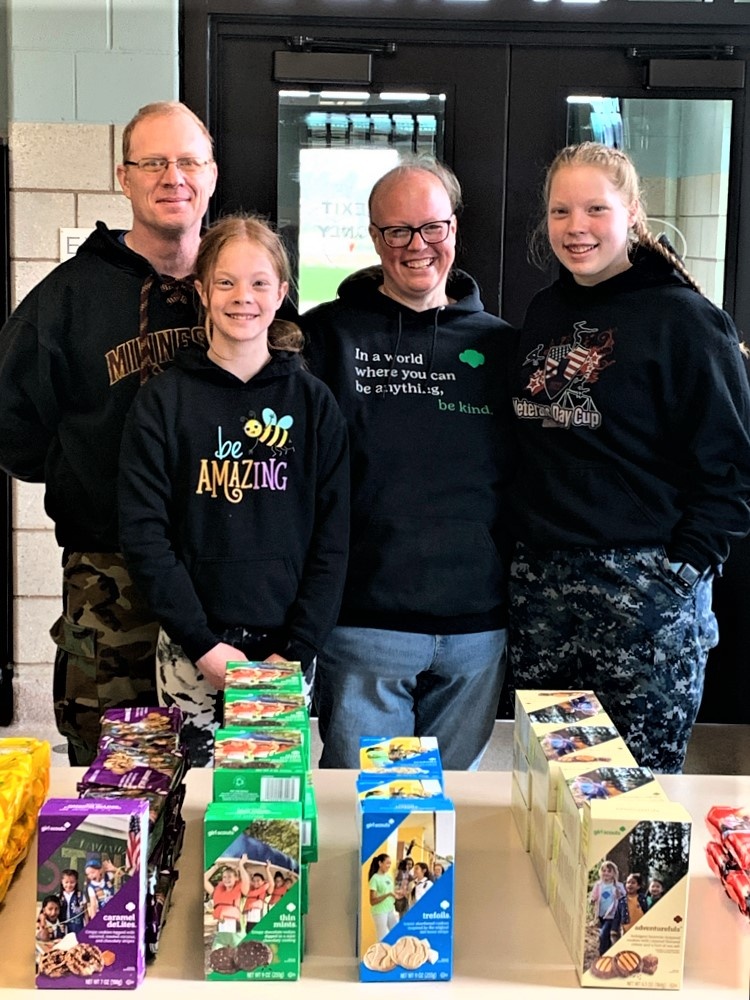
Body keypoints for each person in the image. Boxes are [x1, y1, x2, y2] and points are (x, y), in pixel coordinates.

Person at [509, 141, 750, 774]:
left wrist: (680, 573)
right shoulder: (545, 313)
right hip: (544, 589)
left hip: (644, 592)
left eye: (595, 208)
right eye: (561, 212)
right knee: (551, 789)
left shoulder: (687, 322)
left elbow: (731, 466)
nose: (576, 227)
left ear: (633, 212)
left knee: (634, 800)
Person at [0, 100, 218, 766]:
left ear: (212, 175)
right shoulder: (66, 299)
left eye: (187, 161)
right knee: (119, 786)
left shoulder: (245, 288)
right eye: (153, 162)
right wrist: (91, 475)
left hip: (221, 573)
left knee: (220, 789)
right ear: (123, 178)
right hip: (112, 580)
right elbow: (16, 434)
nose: (171, 176)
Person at [303, 158, 516, 769]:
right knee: (372, 827)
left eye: (432, 227)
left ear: (454, 229)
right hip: (365, 625)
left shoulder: (501, 346)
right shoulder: (326, 339)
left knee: (450, 825)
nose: (416, 246)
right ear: (374, 239)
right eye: (397, 231)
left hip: (476, 627)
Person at [118, 215, 349, 766]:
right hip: (190, 648)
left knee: (270, 812)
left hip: (284, 653)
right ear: (200, 290)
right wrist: (201, 643)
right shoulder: (162, 402)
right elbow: (144, 534)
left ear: (282, 294)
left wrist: (295, 650)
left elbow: (334, 537)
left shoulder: (314, 406)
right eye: (225, 282)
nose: (242, 298)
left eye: (259, 283)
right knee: (192, 807)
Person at [204, 855, 250, 932]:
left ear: (236, 878)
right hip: (221, 923)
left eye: (229, 877)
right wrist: (216, 866)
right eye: (224, 877)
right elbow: (204, 879)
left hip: (233, 924)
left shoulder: (241, 890)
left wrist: (241, 865)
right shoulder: (217, 891)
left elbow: (246, 881)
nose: (226, 879)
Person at [589, 860, 625, 955]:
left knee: (603, 935)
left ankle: (603, 955)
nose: (606, 873)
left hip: (613, 915)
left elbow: (623, 898)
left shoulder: (618, 886)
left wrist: (619, 895)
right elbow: (594, 896)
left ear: (614, 873)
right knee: (606, 936)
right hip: (601, 914)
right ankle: (609, 953)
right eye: (604, 871)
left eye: (609, 871)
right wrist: (592, 900)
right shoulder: (598, 885)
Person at [367, 853, 398, 941]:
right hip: (380, 912)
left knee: (396, 933)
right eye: (387, 863)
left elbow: (391, 892)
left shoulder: (388, 877)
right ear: (380, 863)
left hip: (390, 910)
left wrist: (397, 894)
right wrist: (388, 895)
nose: (389, 866)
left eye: (390, 864)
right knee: (382, 938)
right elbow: (372, 901)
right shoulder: (375, 879)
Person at [613, 872, 649, 938]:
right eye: (628, 882)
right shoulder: (621, 901)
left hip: (641, 931)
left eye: (633, 883)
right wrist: (614, 930)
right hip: (626, 932)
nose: (630, 885)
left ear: (638, 886)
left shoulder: (643, 899)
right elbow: (617, 917)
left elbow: (647, 912)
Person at [57, 868, 87, 935]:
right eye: (66, 882)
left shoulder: (80, 896)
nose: (69, 885)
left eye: (72, 882)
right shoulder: (58, 897)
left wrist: (87, 928)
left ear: (76, 882)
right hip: (63, 929)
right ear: (62, 882)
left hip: (78, 927)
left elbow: (85, 913)